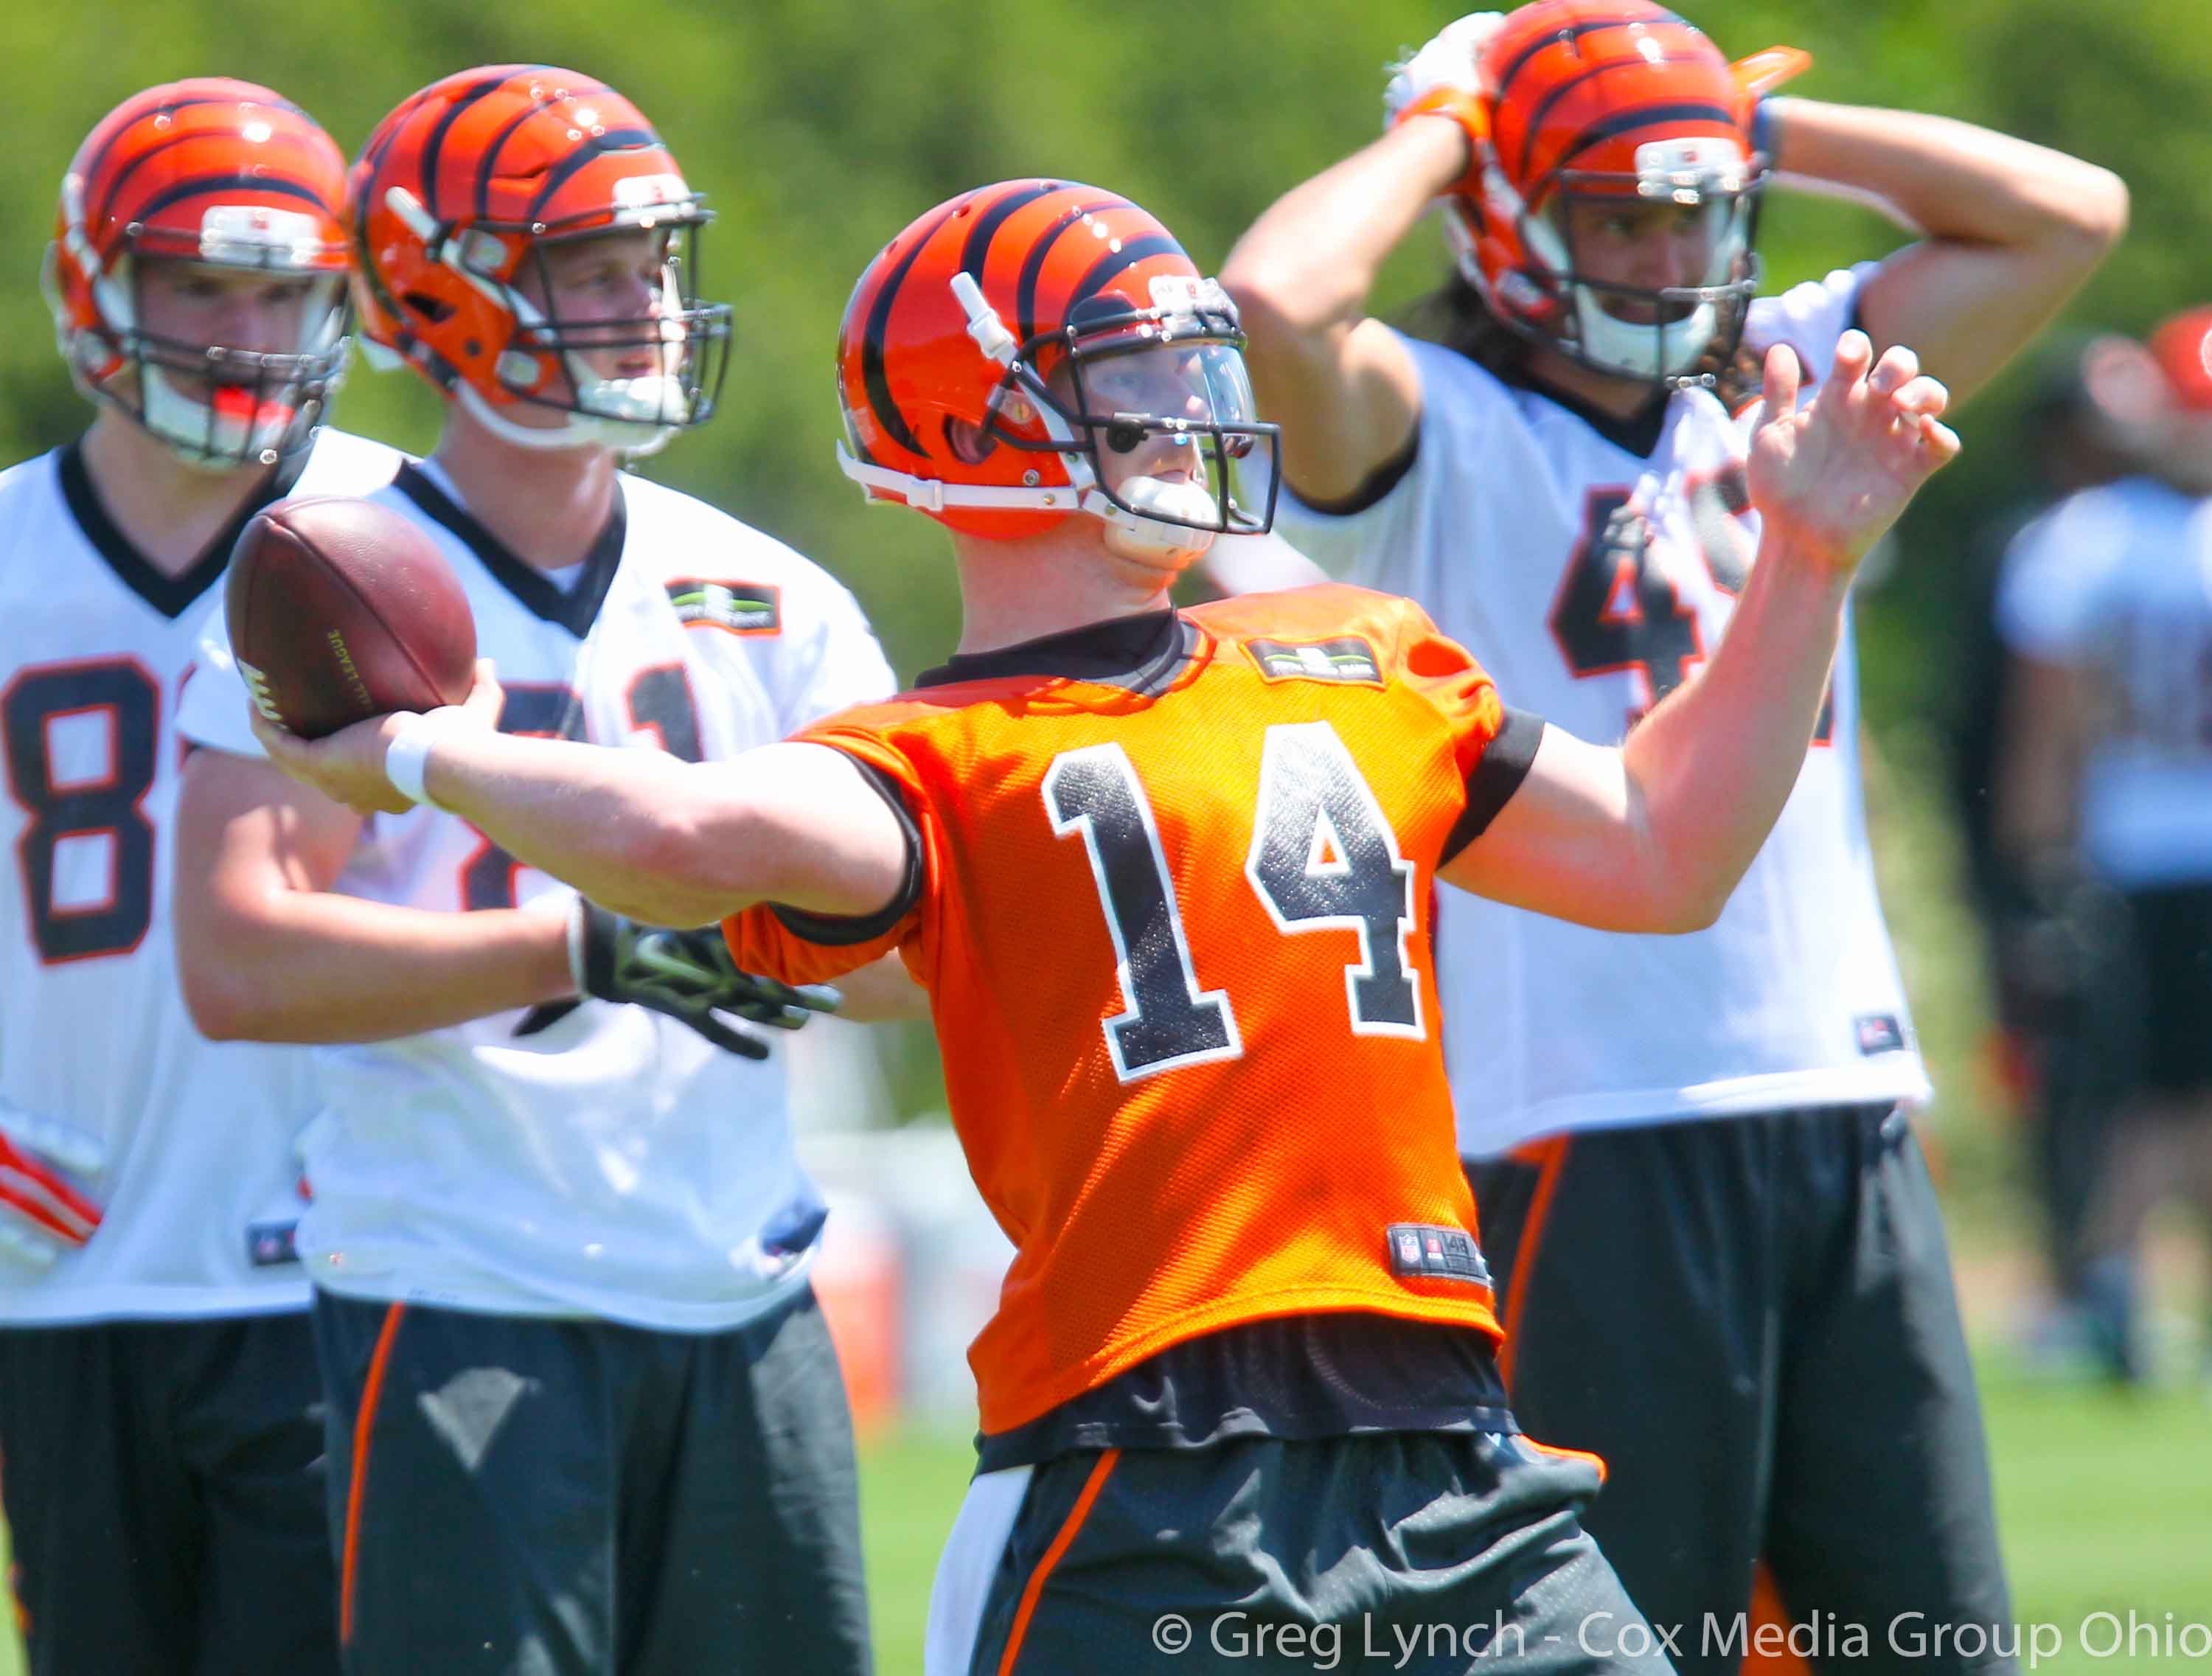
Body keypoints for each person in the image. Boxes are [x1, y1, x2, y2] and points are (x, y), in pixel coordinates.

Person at [247, 177, 1956, 1676]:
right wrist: (417, 755)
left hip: (1453, 1448)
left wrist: (1804, 558)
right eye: (1139, 378)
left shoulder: (1360, 651)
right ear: (981, 421)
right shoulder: (942, 755)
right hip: (1142, 1476)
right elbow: (692, 833)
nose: (1198, 407)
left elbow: (1668, 851)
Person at [1217, 1, 2126, 1663]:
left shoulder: (1783, 366)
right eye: (1614, 212)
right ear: (1505, 222)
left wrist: (1748, 127)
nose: (1661, 252)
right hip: (1579, 1110)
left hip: (1840, 1092)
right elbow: (1276, 297)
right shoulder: (1434, 424)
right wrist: (1452, 128)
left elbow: (2070, 211)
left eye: (1692, 208)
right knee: (1633, 1640)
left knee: (1927, 1641)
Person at [170, 66, 896, 1676]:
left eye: (654, 262)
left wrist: (781, 935)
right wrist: (577, 946)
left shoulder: (770, 592)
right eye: (589, 266)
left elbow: (916, 950)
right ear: (447, 293)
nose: (643, 304)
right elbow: (237, 959)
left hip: (743, 1294)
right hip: (460, 1301)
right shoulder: (325, 582)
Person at [0, 79, 399, 1675]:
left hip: (350, 1259)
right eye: (197, 285)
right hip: (54, 1269)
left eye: (281, 290)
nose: (243, 331)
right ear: (98, 284)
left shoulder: (401, 538)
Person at [1994, 307, 2212, 1383]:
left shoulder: (2085, 537)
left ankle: (2118, 1286)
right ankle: (2115, 1286)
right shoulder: (2096, 539)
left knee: (2154, 1091)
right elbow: (2051, 724)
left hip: (2140, 845)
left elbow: (2051, 728)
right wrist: (2040, 869)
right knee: (2152, 1088)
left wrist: (2036, 861)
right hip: (2142, 852)